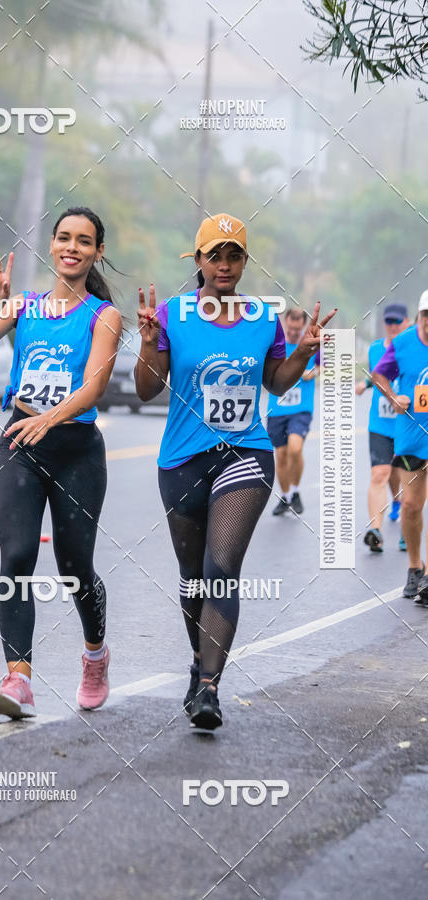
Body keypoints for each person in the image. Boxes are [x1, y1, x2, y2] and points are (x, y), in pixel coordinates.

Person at [134, 213, 336, 730]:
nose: (225, 265)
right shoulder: (173, 314)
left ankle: (208, 688)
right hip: (181, 459)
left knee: (221, 565)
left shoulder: (262, 318)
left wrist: (303, 352)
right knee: (192, 578)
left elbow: (275, 381)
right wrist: (148, 342)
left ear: (245, 261)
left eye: (235, 255)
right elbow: (145, 389)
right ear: (197, 260)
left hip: (246, 453)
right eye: (214, 255)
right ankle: (201, 662)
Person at [0, 207, 122, 718]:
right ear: (51, 246)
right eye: (64, 238)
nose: (72, 247)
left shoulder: (104, 315)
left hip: (76, 450)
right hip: (19, 442)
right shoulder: (26, 305)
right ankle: (19, 680)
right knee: (16, 557)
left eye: (84, 241)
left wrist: (49, 419)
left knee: (75, 567)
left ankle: (95, 654)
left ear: (97, 252)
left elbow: (94, 385)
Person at [372, 290, 428, 604]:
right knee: (411, 506)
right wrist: (393, 397)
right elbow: (379, 374)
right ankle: (414, 568)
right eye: (427, 315)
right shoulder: (404, 343)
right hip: (412, 436)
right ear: (420, 316)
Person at [355, 303, 410, 553]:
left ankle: (406, 527)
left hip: (408, 425)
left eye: (397, 321)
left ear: (407, 322)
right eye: (389, 321)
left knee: (404, 478)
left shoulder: (415, 348)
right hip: (380, 424)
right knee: (380, 474)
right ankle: (375, 530)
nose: (392, 326)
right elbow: (378, 375)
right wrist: (364, 384)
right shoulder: (376, 348)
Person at [266, 306, 320, 516]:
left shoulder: (309, 344)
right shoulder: (276, 344)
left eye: (299, 328)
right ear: (286, 322)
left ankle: (295, 491)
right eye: (292, 327)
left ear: (303, 326)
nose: (294, 331)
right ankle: (286, 496)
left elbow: (324, 363)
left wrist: (314, 371)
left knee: (295, 449)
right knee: (281, 455)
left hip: (301, 408)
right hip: (277, 408)